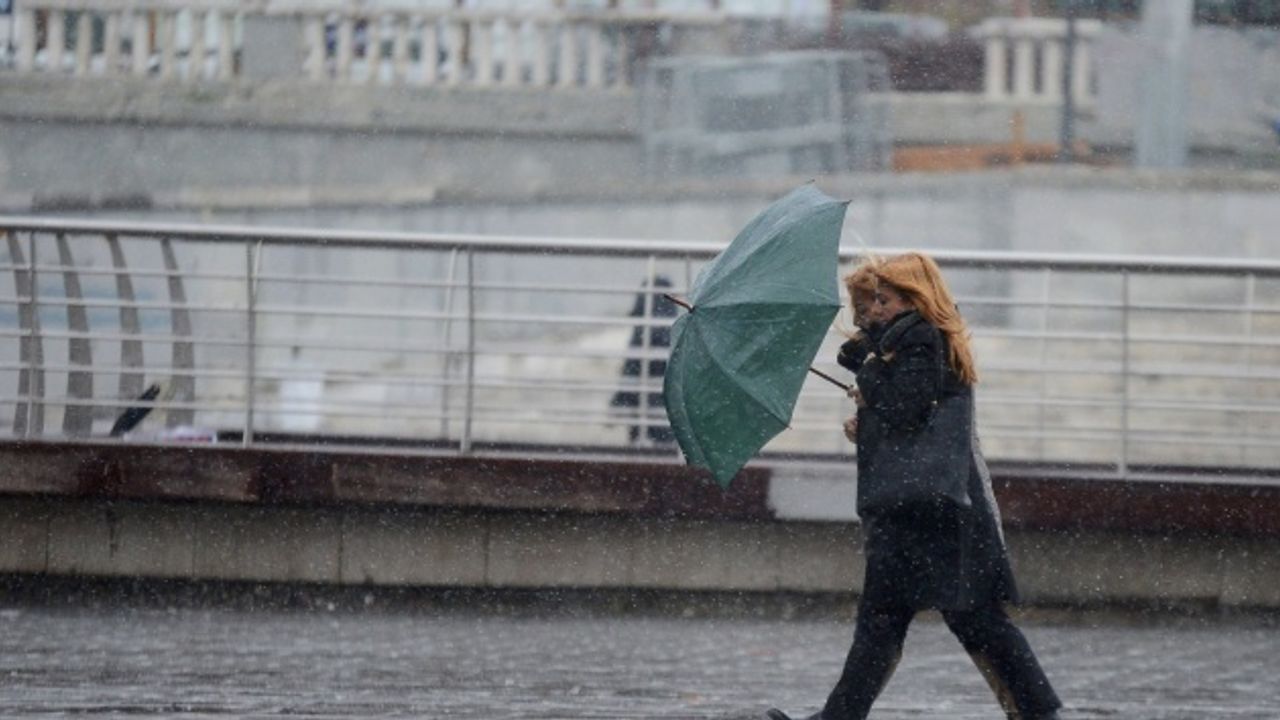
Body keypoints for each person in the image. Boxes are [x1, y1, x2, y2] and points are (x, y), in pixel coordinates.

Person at [767, 252, 1062, 720]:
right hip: (921, 507)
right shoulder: (907, 345)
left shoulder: (923, 340)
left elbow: (906, 408)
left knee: (967, 620)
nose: (873, 310)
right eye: (870, 301)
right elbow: (913, 416)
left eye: (884, 300)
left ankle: (1037, 712)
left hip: (932, 510)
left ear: (915, 299)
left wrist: (869, 382)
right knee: (894, 622)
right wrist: (868, 417)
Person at [610, 275, 677, 445]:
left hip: (644, 413)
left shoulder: (642, 331)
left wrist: (618, 402)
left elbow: (631, 370)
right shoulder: (673, 330)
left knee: (644, 440)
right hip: (667, 414)